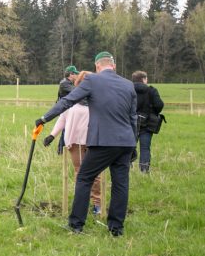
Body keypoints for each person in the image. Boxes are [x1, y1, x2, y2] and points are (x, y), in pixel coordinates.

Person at [36, 51, 137, 237]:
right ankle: (116, 229)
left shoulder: (93, 80)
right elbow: (132, 119)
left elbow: (67, 101)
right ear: (113, 66)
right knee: (121, 184)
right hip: (125, 142)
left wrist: (44, 118)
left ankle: (76, 225)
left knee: (84, 178)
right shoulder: (128, 85)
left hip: (103, 141)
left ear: (97, 66)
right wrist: (134, 145)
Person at [43, 71, 101, 215]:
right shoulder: (72, 99)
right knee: (79, 173)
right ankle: (81, 202)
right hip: (75, 142)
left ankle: (97, 204)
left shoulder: (99, 100)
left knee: (96, 174)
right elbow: (62, 118)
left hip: (94, 141)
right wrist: (52, 135)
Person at [132, 70, 164, 174]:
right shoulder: (152, 91)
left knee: (129, 146)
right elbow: (159, 105)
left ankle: (127, 166)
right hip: (147, 124)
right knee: (145, 148)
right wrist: (153, 111)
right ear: (144, 79)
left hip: (131, 123)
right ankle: (144, 170)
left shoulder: (128, 90)